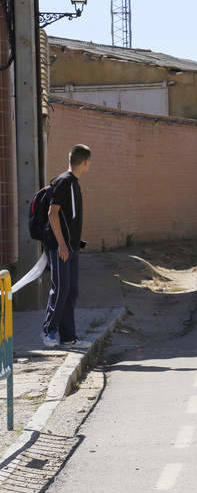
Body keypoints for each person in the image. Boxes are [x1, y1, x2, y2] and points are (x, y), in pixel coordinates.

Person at [41, 144, 93, 349]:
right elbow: (52, 214)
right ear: (86, 162)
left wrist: (73, 245)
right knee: (60, 288)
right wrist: (62, 244)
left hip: (71, 247)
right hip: (59, 247)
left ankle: (69, 336)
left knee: (71, 290)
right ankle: (48, 332)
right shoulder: (64, 182)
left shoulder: (74, 183)